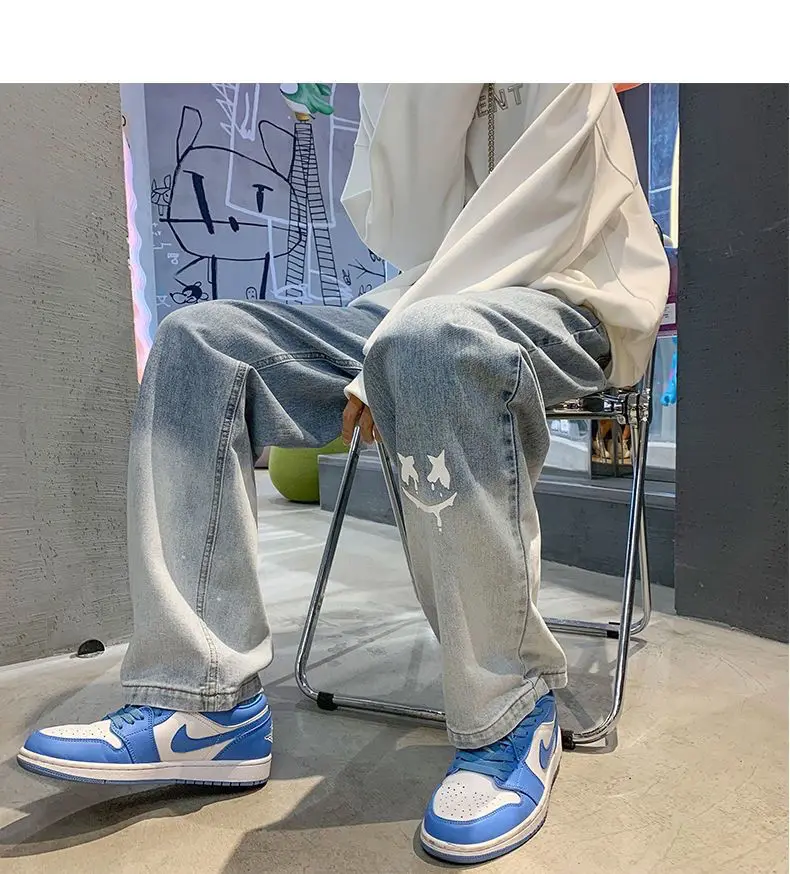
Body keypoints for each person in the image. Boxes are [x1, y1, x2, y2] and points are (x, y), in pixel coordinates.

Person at [17, 83, 668, 865]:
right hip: (430, 293)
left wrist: (389, 350)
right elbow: (402, 225)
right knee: (201, 341)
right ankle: (203, 702)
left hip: (573, 293)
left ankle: (510, 710)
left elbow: (543, 214)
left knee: (428, 346)